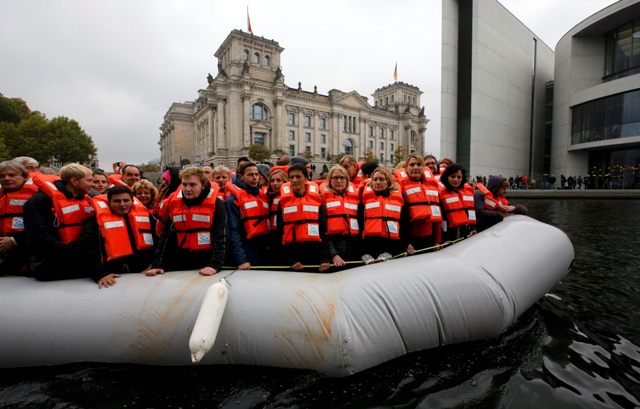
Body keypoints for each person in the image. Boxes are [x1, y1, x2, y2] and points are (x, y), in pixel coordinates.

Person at [146, 167, 226, 276]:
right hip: (180, 261)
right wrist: (157, 264)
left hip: (207, 261)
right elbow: (165, 238)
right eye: (184, 184)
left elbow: (222, 236)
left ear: (202, 185)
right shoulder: (175, 205)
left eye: (192, 185)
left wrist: (215, 265)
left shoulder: (217, 204)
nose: (187, 189)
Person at [24, 163, 95, 280]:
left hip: (78, 258)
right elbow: (39, 237)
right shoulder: (39, 202)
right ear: (75, 181)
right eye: (89, 181)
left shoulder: (85, 199)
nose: (92, 185)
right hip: (49, 265)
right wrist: (73, 254)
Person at [78, 185, 156, 288]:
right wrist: (100, 274)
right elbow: (86, 249)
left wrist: (156, 264)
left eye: (126, 200)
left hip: (143, 272)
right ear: (109, 203)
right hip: (112, 276)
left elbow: (159, 241)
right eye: (117, 201)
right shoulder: (95, 222)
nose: (122, 204)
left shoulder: (146, 217)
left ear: (132, 201)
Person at [277, 164, 329, 271]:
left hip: (314, 254)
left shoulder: (317, 200)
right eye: (291, 177)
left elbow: (323, 231)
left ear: (306, 178)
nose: (294, 180)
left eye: (298, 177)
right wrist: (291, 260)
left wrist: (324, 258)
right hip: (293, 256)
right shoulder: (282, 203)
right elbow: (280, 232)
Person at [226, 162, 270, 270]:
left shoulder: (262, 195)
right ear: (241, 177)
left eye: (256, 174)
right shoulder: (232, 201)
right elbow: (233, 231)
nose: (255, 177)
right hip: (246, 255)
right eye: (250, 175)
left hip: (262, 252)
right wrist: (241, 259)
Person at [395, 155, 442, 255]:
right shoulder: (399, 189)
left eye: (419, 165)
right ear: (406, 169)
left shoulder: (432, 188)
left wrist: (437, 240)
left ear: (423, 168)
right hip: (409, 240)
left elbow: (437, 219)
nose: (415, 167)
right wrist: (405, 242)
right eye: (412, 165)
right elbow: (399, 221)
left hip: (428, 239)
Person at [0, 161, 39, 275]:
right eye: (2, 176)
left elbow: (47, 228)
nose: (6, 178)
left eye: (12, 175)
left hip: (28, 250)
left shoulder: (38, 198)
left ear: (24, 177)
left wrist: (15, 240)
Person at [359, 167, 404, 264]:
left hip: (391, 247)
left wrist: (400, 247)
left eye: (381, 179)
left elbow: (404, 223)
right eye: (375, 179)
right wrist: (363, 252)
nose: (378, 182)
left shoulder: (398, 199)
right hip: (369, 248)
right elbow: (360, 224)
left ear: (388, 181)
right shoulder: (364, 201)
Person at [320, 165, 360, 270]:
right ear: (329, 180)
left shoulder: (355, 199)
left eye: (342, 178)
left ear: (347, 180)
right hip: (333, 251)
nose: (339, 181)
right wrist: (333, 254)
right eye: (335, 178)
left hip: (352, 250)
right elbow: (322, 231)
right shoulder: (322, 200)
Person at [438, 163, 476, 242]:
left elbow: (471, 212)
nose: (456, 179)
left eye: (459, 177)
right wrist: (445, 237)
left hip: (466, 234)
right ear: (446, 177)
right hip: (449, 236)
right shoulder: (441, 194)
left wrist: (473, 228)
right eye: (453, 176)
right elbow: (443, 219)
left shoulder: (467, 193)